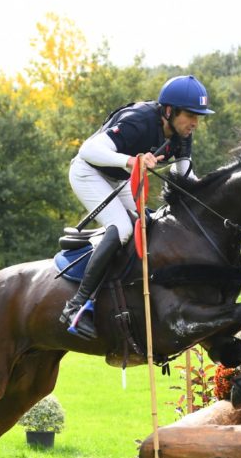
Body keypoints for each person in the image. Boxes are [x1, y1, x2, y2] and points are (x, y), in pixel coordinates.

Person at [61, 74, 214, 339]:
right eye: (191, 115)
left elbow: (186, 179)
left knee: (146, 225)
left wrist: (212, 200)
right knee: (121, 228)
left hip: (118, 180)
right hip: (88, 172)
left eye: (198, 117)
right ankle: (76, 306)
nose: (195, 124)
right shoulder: (139, 120)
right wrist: (131, 161)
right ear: (169, 111)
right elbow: (87, 150)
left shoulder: (182, 135)